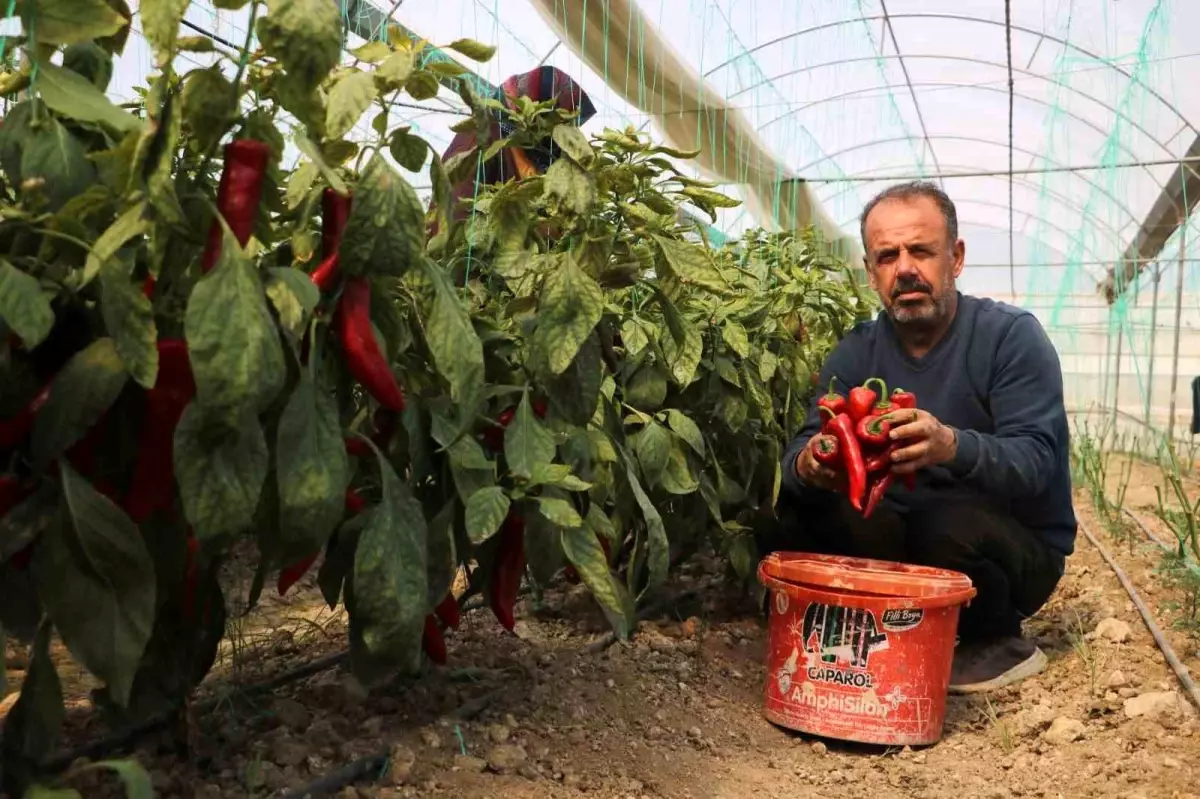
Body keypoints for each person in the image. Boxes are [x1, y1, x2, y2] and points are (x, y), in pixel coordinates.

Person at [773, 180, 1077, 694]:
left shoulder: (1010, 338)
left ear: (955, 258)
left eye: (921, 250)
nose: (905, 268)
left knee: (945, 524)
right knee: (798, 512)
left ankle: (996, 638)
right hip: (907, 534)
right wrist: (809, 465)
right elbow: (799, 453)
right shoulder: (858, 352)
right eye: (887, 256)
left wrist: (951, 446)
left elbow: (1037, 462)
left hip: (1008, 545)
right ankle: (867, 633)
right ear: (871, 273)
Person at [431, 65, 596, 235]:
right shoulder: (482, 137)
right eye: (557, 120)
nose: (559, 135)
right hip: (467, 249)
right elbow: (455, 209)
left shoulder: (539, 155)